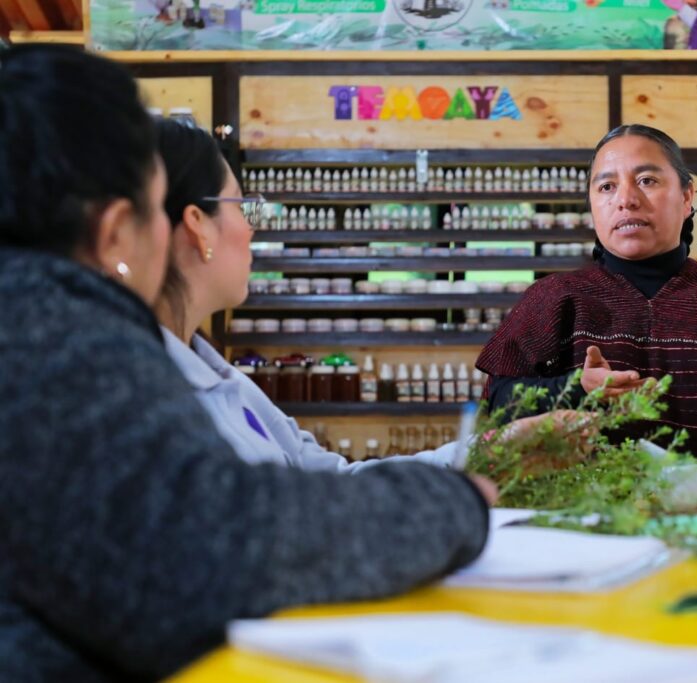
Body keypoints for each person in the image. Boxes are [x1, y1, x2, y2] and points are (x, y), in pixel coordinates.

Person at [0, 45, 493, 681]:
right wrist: (451, 507)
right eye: (155, 209)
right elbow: (213, 547)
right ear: (118, 231)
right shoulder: (54, 335)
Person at [152, 119, 569, 472]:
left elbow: (334, 485)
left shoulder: (226, 380)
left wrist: (491, 451)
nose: (252, 228)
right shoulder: (142, 400)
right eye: (244, 207)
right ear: (197, 225)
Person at [477, 124, 697, 460]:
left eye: (647, 180)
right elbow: (498, 407)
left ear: (687, 197)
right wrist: (577, 388)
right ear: (592, 205)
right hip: (587, 508)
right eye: (606, 187)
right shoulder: (554, 298)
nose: (626, 200)